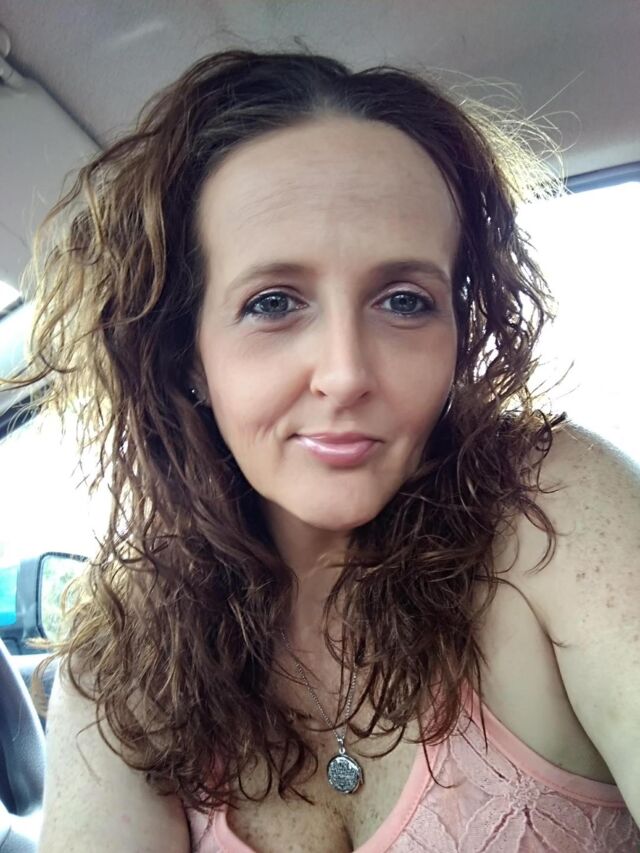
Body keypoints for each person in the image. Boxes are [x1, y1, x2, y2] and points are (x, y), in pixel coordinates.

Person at [16, 48, 638, 852]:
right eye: (274, 302)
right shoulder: (124, 667)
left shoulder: (550, 507)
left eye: (405, 300)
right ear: (188, 352)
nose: (345, 373)